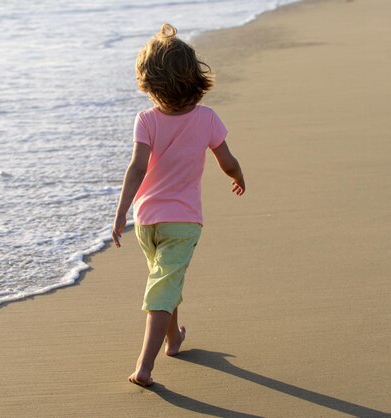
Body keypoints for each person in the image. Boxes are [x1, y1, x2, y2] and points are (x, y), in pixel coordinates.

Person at [111, 23, 246, 387]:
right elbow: (227, 160)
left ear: (150, 82)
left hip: (147, 221)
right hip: (183, 222)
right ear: (194, 78)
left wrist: (122, 210)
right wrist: (238, 176)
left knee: (165, 280)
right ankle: (144, 367)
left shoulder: (146, 120)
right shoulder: (207, 118)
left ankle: (173, 340)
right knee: (163, 287)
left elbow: (137, 167)